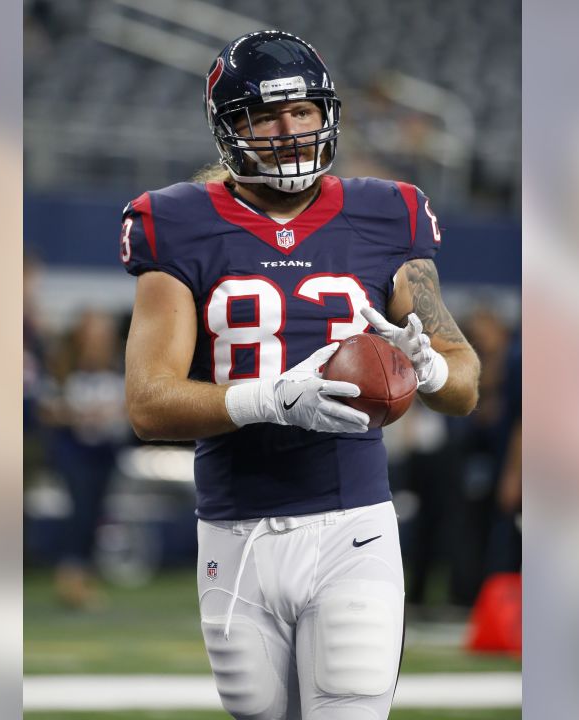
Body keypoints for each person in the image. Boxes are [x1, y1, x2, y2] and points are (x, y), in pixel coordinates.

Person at [121, 30, 480, 720]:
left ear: (327, 114)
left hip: (353, 529)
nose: (289, 132)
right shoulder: (174, 221)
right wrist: (273, 398)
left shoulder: (390, 212)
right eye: (266, 115)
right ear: (231, 127)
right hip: (235, 531)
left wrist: (429, 364)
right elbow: (147, 403)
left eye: (304, 112)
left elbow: (464, 387)